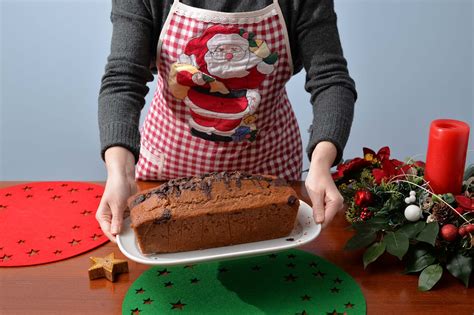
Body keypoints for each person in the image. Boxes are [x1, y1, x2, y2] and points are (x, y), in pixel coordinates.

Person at [97, 0, 357, 242]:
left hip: (269, 179)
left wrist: (322, 163)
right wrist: (120, 172)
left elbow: (330, 79)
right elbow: (123, 79)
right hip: (164, 180)